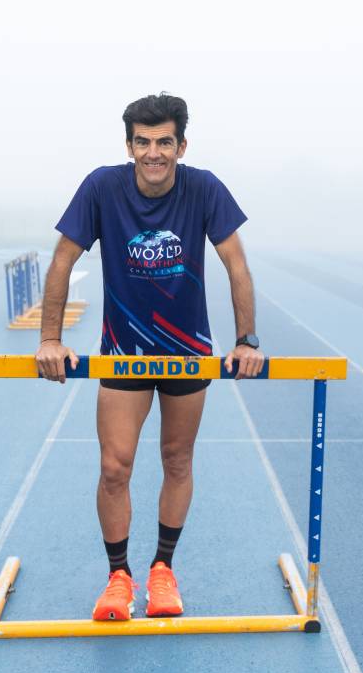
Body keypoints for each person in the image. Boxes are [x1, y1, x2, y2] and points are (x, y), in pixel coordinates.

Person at [35, 93, 264, 621]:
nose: (153, 152)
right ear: (129, 145)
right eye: (143, 141)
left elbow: (237, 265)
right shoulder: (102, 187)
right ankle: (119, 578)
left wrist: (246, 341)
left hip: (187, 353)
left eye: (164, 142)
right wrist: (50, 338)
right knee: (115, 467)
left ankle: (163, 570)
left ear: (181, 146)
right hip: (124, 353)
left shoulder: (204, 188)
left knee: (177, 461)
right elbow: (63, 260)